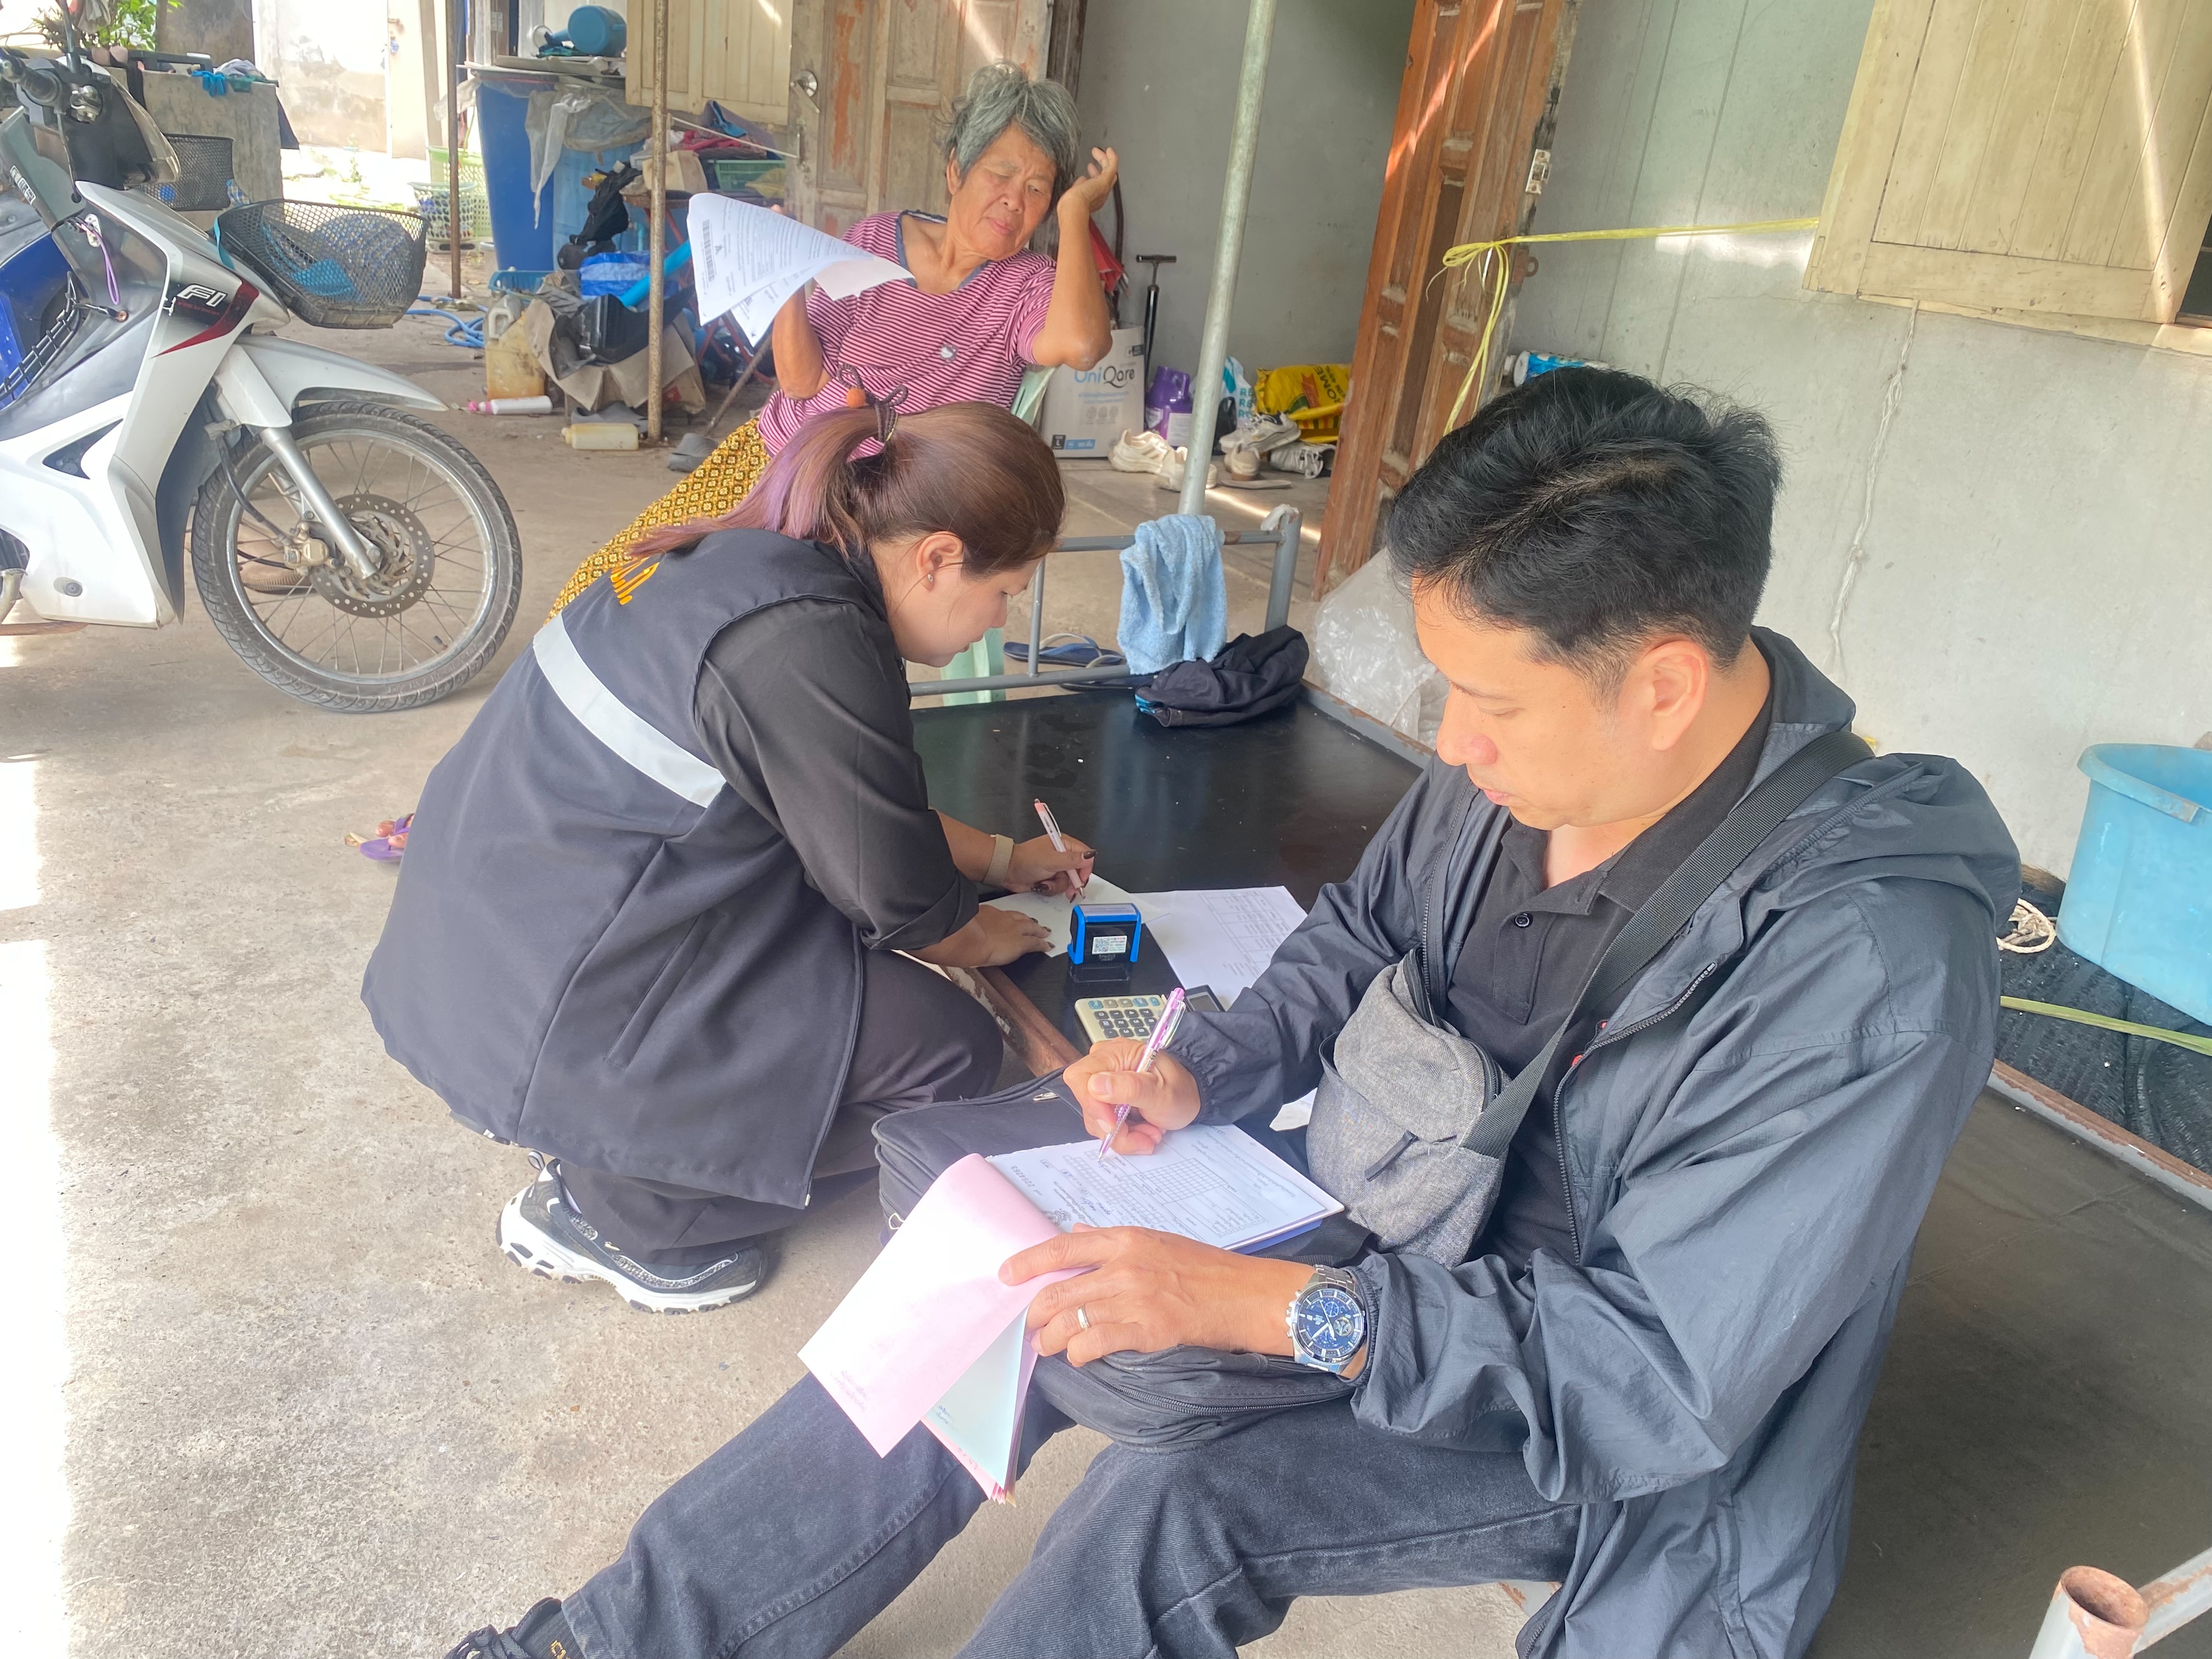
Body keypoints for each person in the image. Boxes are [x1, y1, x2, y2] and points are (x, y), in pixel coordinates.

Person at [444, 370, 2019, 1659]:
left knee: (1178, 1503)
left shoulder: (1865, 969)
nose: (1452, 746)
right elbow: (1363, 941)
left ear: (1662, 686)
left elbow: (1655, 1379)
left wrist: (1273, 1310)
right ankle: (599, 1646)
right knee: (996, 1280)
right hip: (1394, 1222)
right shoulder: (1523, 772)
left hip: (1585, 1410)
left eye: (1490, 704)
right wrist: (1208, 1066)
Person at [364, 401, 1095, 1314]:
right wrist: (991, 937)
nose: (1001, 617)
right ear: (938, 557)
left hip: (492, 951)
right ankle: (626, 1210)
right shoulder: (810, 639)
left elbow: (839, 801)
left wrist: (1001, 858)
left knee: (835, 956)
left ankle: (611, 1139)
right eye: (1007, 590)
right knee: (948, 1055)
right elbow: (902, 900)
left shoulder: (755, 560)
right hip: (553, 999)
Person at [548, 60, 1118, 616]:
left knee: (737, 618)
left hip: (877, 520)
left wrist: (1074, 214)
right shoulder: (876, 238)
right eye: (1001, 174)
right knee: (606, 588)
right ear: (955, 171)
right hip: (779, 459)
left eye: (1038, 188)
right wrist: (788, 276)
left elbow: (1084, 346)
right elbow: (801, 383)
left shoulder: (1026, 285)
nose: (1015, 200)